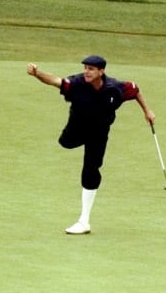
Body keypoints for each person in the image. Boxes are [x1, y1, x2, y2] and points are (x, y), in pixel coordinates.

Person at [26, 56, 155, 235]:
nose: (86, 72)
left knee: (91, 170)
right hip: (77, 128)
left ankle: (84, 221)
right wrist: (37, 73)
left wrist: (147, 111)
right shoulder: (76, 84)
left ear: (101, 71)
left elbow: (135, 89)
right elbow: (55, 81)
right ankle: (86, 140)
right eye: (85, 68)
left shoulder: (114, 88)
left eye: (91, 69)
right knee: (66, 143)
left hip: (99, 133)